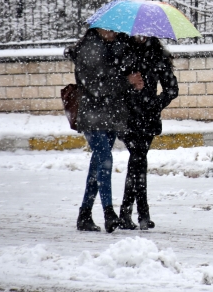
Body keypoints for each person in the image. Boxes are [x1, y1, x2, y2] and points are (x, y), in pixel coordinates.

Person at [67, 28, 144, 232]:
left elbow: (116, 84)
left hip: (110, 116)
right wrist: (125, 81)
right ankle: (109, 212)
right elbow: (96, 88)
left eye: (114, 29)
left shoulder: (117, 49)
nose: (112, 32)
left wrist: (132, 80)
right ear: (97, 28)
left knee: (97, 165)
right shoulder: (87, 50)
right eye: (107, 29)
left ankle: (84, 215)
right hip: (92, 116)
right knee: (105, 158)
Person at [118, 36, 178, 231]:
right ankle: (140, 213)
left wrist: (154, 105)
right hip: (126, 117)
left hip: (147, 119)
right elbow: (110, 84)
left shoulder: (157, 56)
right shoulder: (121, 52)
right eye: (136, 33)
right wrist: (128, 83)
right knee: (138, 160)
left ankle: (128, 213)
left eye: (144, 33)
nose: (140, 37)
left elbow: (172, 89)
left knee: (137, 161)